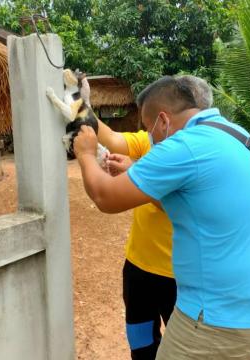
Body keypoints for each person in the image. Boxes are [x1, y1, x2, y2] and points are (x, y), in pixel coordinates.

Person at [74, 75, 250, 359]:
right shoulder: (236, 135)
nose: (148, 135)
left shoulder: (184, 146)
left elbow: (106, 197)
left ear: (162, 121)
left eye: (148, 127)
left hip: (218, 315)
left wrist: (86, 154)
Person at [95, 75, 212, 359]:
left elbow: (177, 205)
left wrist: (135, 172)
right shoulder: (152, 141)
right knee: (140, 341)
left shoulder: (202, 153)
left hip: (181, 277)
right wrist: (80, 104)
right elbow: (110, 138)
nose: (148, 132)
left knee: (183, 350)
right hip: (139, 267)